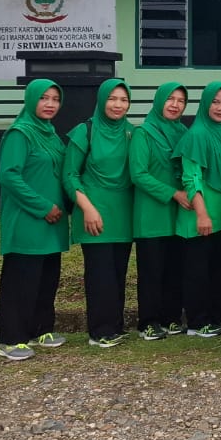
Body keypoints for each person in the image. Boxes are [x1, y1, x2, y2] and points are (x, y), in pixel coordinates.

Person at [0, 80, 70, 361]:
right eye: (43, 98)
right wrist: (42, 206)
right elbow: (9, 176)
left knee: (46, 278)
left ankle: (41, 329)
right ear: (30, 100)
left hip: (53, 223)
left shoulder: (51, 135)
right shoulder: (20, 133)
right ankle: (10, 339)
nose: (50, 104)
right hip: (29, 220)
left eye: (55, 99)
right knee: (20, 280)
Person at [63, 79, 134, 349]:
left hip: (123, 212)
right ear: (102, 100)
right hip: (94, 212)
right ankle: (99, 330)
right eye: (112, 99)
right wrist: (87, 207)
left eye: (123, 100)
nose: (118, 105)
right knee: (100, 273)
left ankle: (114, 326)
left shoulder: (131, 132)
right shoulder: (85, 131)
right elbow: (69, 174)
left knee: (118, 271)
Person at [175, 82, 221, 338]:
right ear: (205, 103)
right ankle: (197, 322)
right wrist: (202, 213)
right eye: (216, 102)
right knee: (198, 271)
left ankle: (220, 316)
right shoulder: (196, 134)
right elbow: (191, 178)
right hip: (201, 214)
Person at [130, 82, 193, 340]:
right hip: (152, 213)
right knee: (152, 270)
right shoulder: (143, 133)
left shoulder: (184, 132)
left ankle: (171, 317)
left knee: (174, 269)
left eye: (180, 101)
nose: (175, 105)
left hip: (178, 214)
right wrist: (173, 193)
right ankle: (149, 322)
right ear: (159, 101)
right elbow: (138, 174)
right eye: (170, 99)